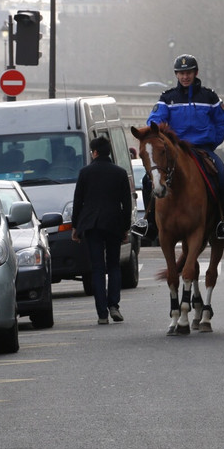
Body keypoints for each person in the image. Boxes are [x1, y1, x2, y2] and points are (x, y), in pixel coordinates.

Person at [133, 53, 224, 241]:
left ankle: (223, 221)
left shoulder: (210, 96)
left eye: (189, 73)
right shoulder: (167, 98)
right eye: (181, 73)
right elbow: (155, 120)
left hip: (203, 149)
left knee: (223, 176)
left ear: (196, 73)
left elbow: (222, 122)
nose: (185, 77)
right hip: (177, 151)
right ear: (176, 75)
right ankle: (150, 222)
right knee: (147, 180)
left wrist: (211, 143)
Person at [72, 135, 133, 324]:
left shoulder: (85, 173)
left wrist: (76, 226)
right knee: (114, 265)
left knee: (97, 268)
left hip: (92, 225)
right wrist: (124, 228)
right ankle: (114, 305)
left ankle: (102, 314)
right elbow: (126, 203)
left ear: (95, 152)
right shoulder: (120, 173)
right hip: (113, 224)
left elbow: (78, 202)